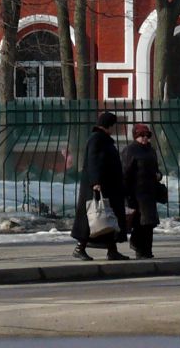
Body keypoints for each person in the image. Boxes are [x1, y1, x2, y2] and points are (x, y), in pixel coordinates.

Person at [71, 109, 128, 260]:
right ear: (108, 125)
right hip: (98, 187)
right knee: (94, 218)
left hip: (108, 186)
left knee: (107, 218)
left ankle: (112, 250)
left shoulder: (102, 139)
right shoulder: (97, 139)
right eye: (113, 125)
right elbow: (93, 161)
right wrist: (96, 182)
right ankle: (79, 248)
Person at [121, 121, 164, 259]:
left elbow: (156, 169)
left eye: (147, 135)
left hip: (150, 191)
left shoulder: (151, 150)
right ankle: (139, 247)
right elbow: (125, 173)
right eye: (141, 135)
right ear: (135, 136)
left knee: (149, 223)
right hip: (137, 192)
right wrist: (127, 194)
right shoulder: (130, 150)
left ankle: (147, 250)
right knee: (140, 222)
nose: (145, 138)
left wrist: (158, 175)